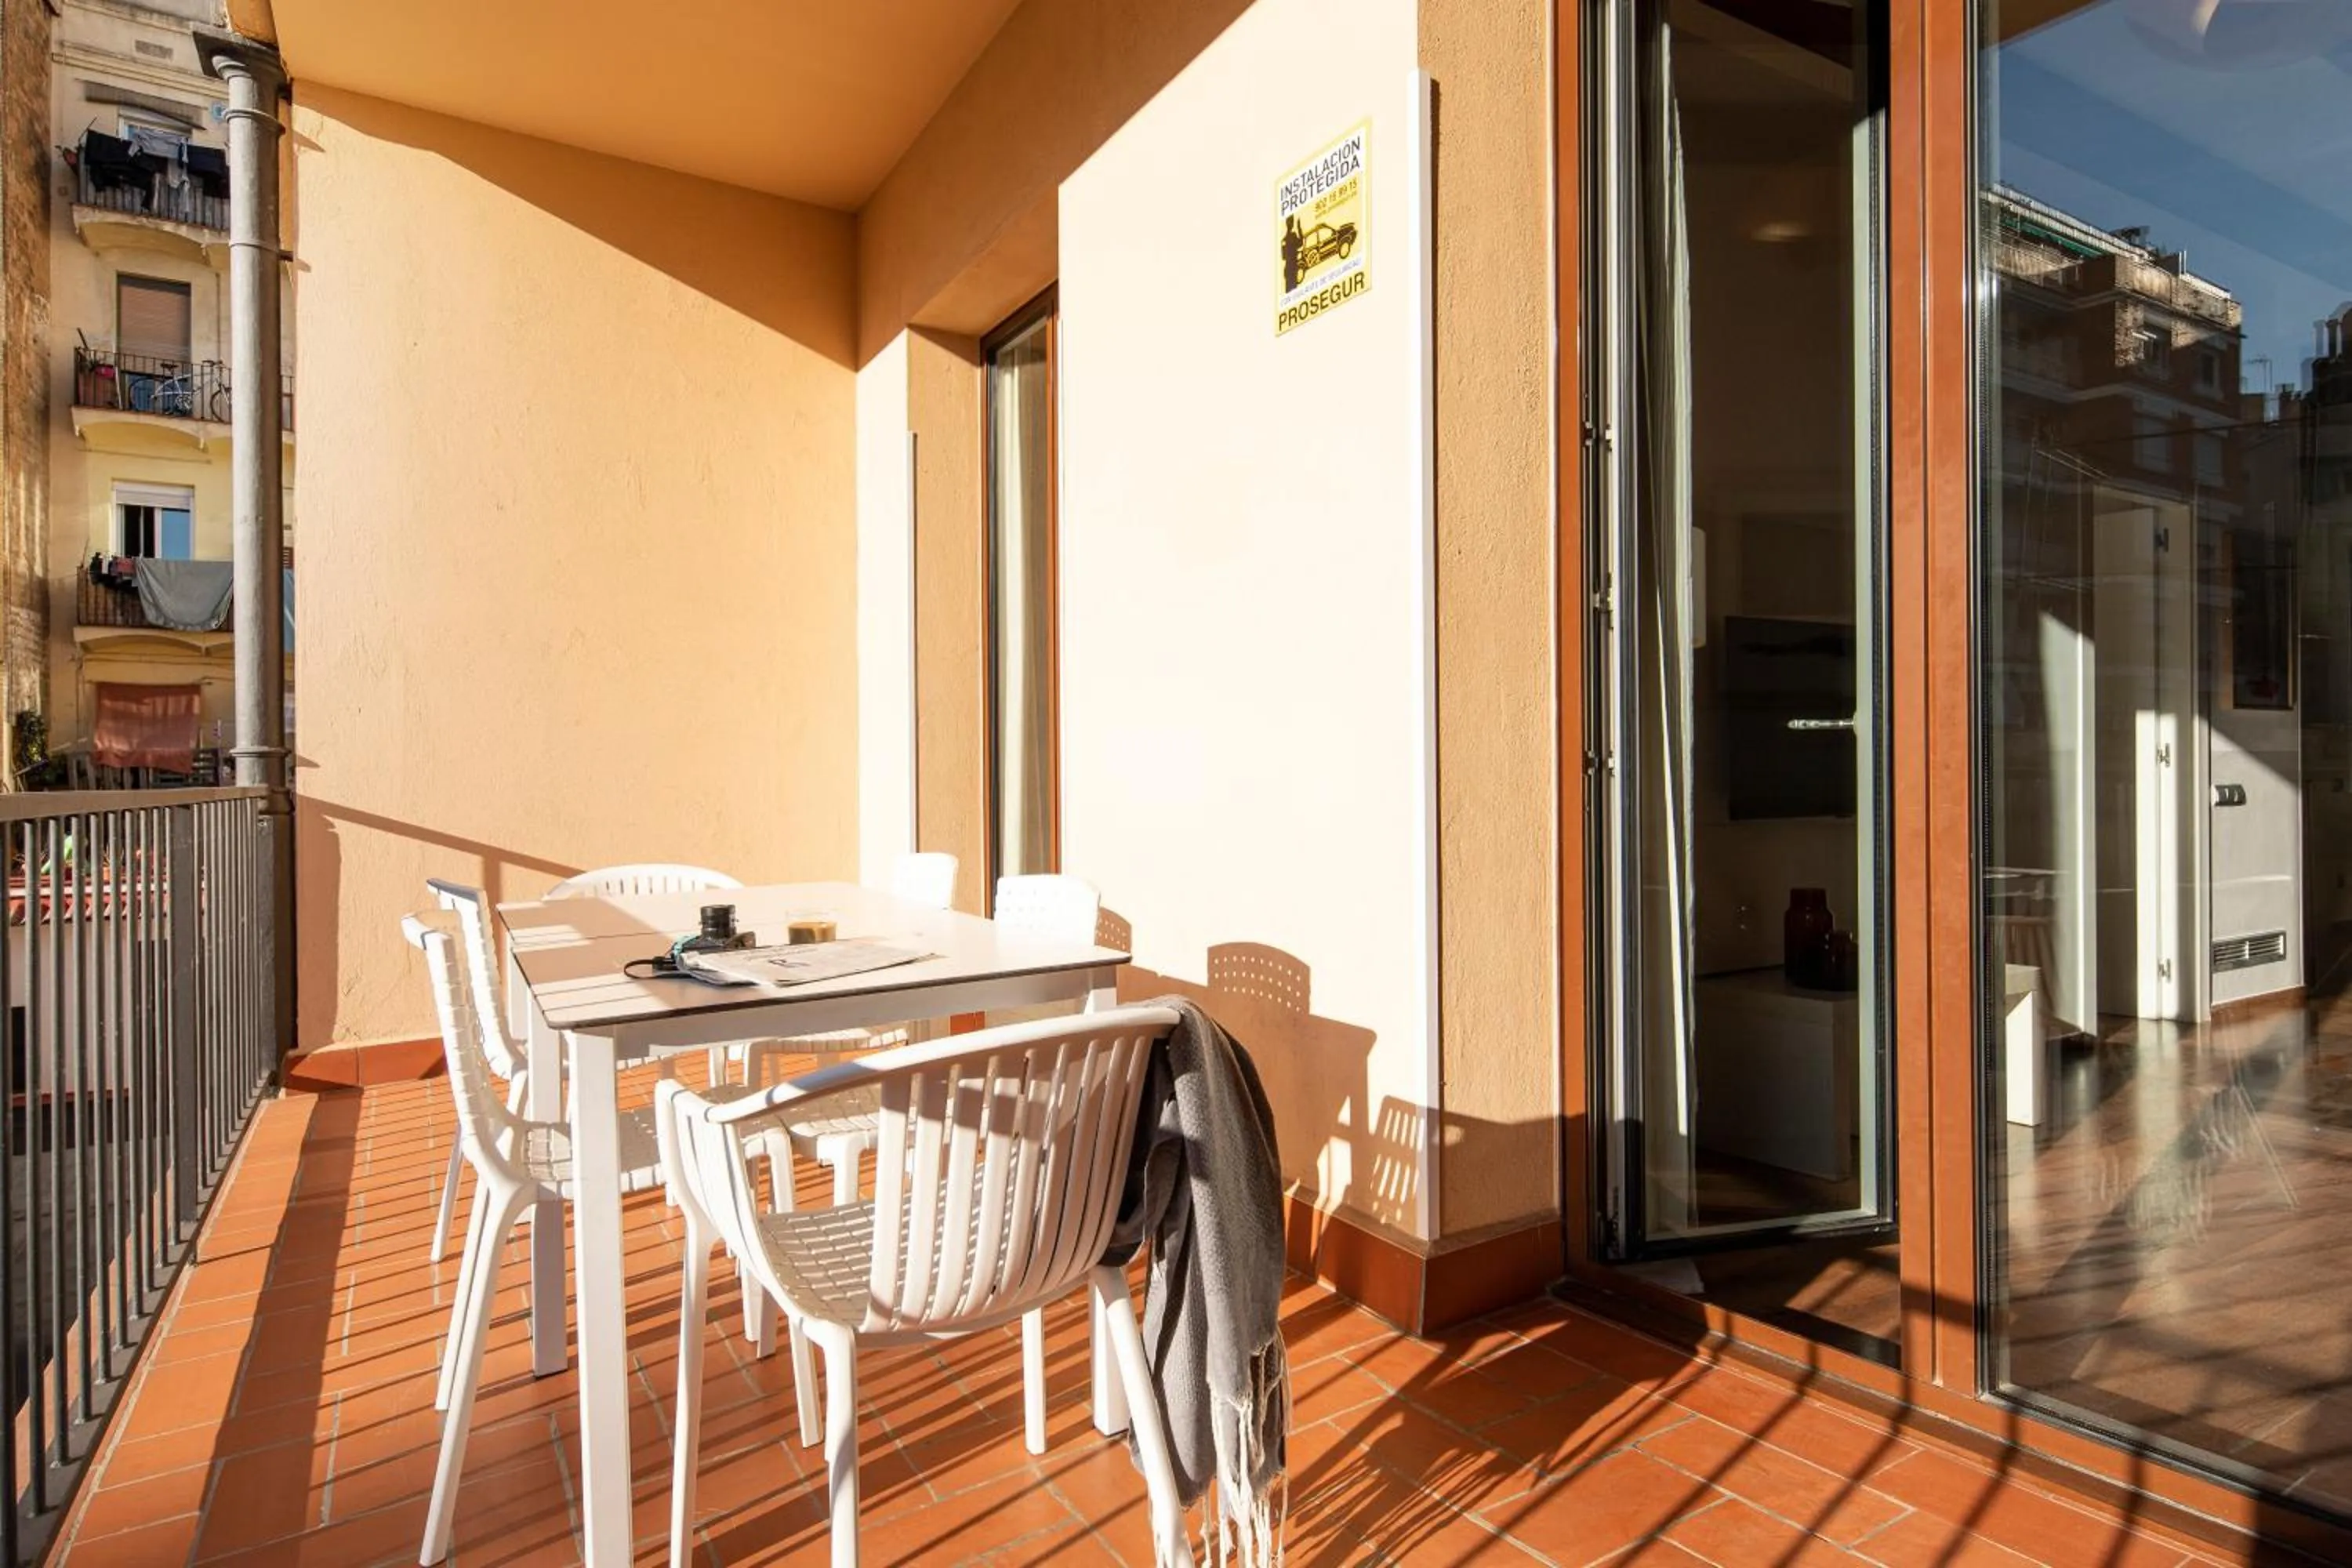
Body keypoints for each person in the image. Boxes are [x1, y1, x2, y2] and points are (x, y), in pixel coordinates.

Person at [1281, 215, 1305, 292]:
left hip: (1288, 268)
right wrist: (1299, 228)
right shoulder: (1293, 236)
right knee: (1294, 290)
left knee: (1288, 290)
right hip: (1293, 266)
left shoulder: (1284, 240)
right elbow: (1301, 243)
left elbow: (1283, 257)